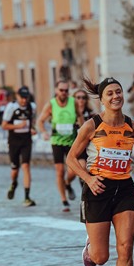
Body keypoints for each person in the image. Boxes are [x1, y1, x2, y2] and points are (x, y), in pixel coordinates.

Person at [65, 77, 134, 266]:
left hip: (124, 189)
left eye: (118, 92)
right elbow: (71, 158)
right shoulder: (91, 126)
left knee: (126, 247)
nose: (115, 96)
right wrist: (88, 179)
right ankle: (91, 246)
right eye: (110, 93)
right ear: (102, 99)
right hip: (97, 189)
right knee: (101, 258)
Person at [37, 80, 83, 211]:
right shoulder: (51, 104)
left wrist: (83, 130)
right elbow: (40, 121)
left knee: (74, 170)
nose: (64, 93)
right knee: (60, 171)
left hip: (72, 141)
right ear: (56, 90)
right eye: (61, 90)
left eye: (66, 91)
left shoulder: (73, 102)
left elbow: (80, 116)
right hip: (57, 141)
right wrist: (44, 132)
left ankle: (67, 183)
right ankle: (64, 200)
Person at [2, 86, 37, 207]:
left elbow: (31, 122)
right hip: (14, 141)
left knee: (26, 166)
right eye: (22, 98)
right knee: (14, 170)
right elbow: (4, 125)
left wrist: (32, 129)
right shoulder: (11, 107)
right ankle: (13, 183)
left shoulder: (31, 107)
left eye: (26, 98)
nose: (24, 100)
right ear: (17, 97)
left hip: (26, 140)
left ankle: (27, 196)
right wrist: (18, 126)